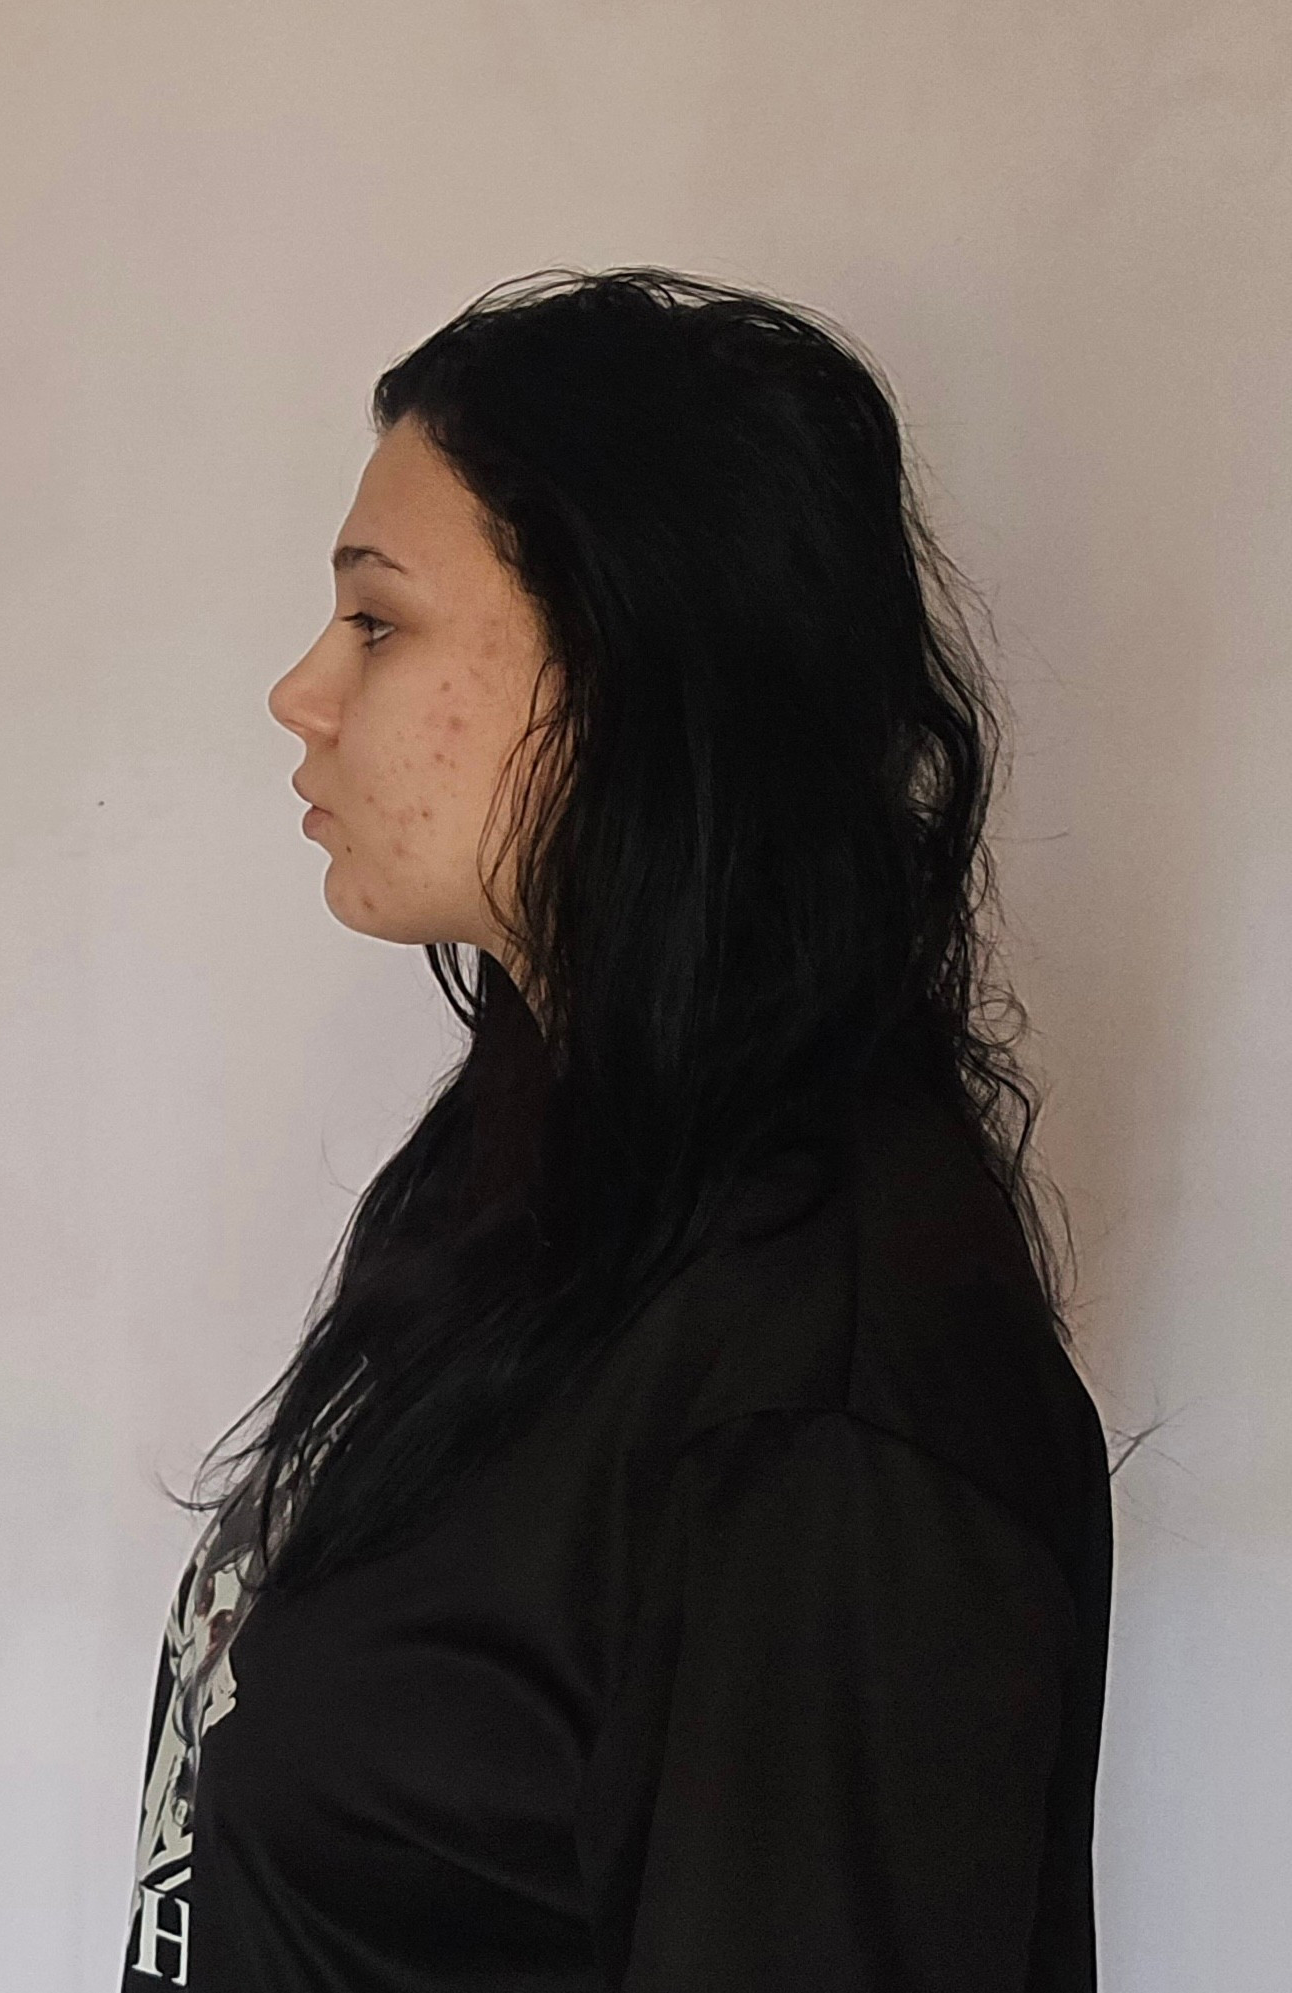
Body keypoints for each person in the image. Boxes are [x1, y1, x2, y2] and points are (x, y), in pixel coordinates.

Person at [119, 266, 1114, 1992]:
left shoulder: (819, 1409)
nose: (303, 690)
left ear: (631, 673)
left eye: (377, 621)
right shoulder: (533, 1170)